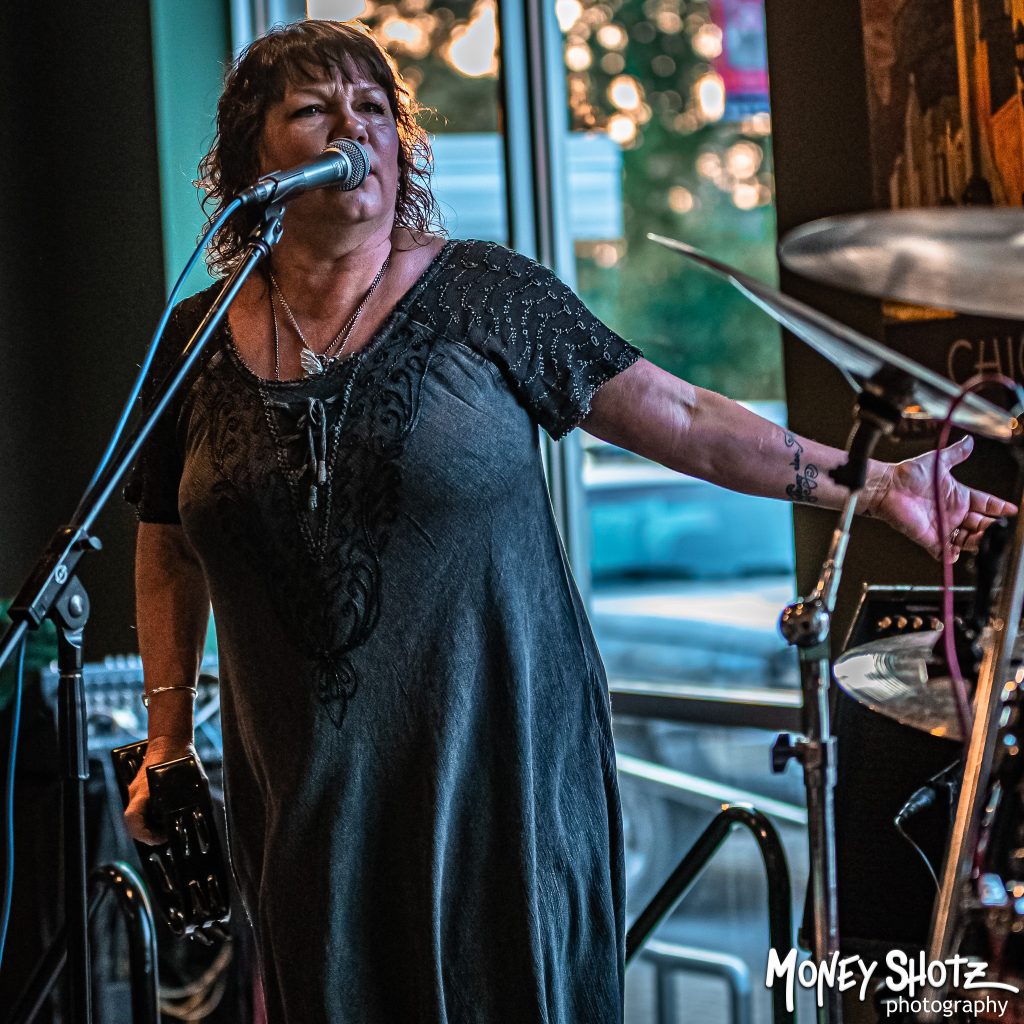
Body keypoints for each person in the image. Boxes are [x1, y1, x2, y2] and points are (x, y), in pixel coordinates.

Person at [123, 19, 1015, 1024]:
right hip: (305, 802)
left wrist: (877, 485)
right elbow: (167, 541)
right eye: (313, 110)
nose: (354, 128)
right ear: (254, 156)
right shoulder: (193, 339)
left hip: (499, 783)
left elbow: (684, 419)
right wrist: (166, 740)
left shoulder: (486, 292)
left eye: (372, 108)